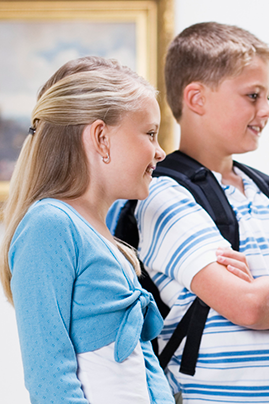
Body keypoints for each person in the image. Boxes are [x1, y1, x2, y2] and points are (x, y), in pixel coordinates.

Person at [127, 22, 269, 403]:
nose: (266, 110)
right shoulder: (163, 194)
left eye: (268, 95)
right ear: (196, 99)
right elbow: (249, 306)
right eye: (252, 95)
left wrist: (267, 300)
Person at [0, 56, 173, 403]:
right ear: (101, 137)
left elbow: (143, 368)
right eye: (150, 134)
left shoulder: (104, 236)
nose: (160, 151)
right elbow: (50, 378)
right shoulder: (49, 226)